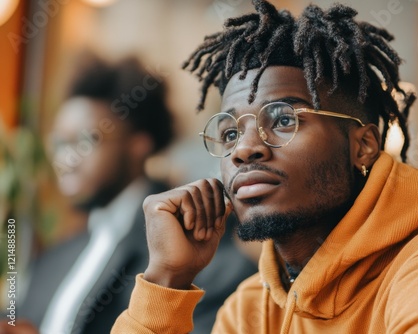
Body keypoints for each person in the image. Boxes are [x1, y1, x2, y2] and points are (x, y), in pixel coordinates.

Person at [112, 1, 418, 333]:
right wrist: (167, 280)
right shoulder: (249, 312)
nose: (244, 150)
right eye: (230, 133)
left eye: (283, 120)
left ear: (363, 146)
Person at [9, 56, 256, 334]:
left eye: (86, 140)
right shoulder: (55, 256)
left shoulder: (197, 244)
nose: (67, 158)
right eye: (59, 142)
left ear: (139, 144)